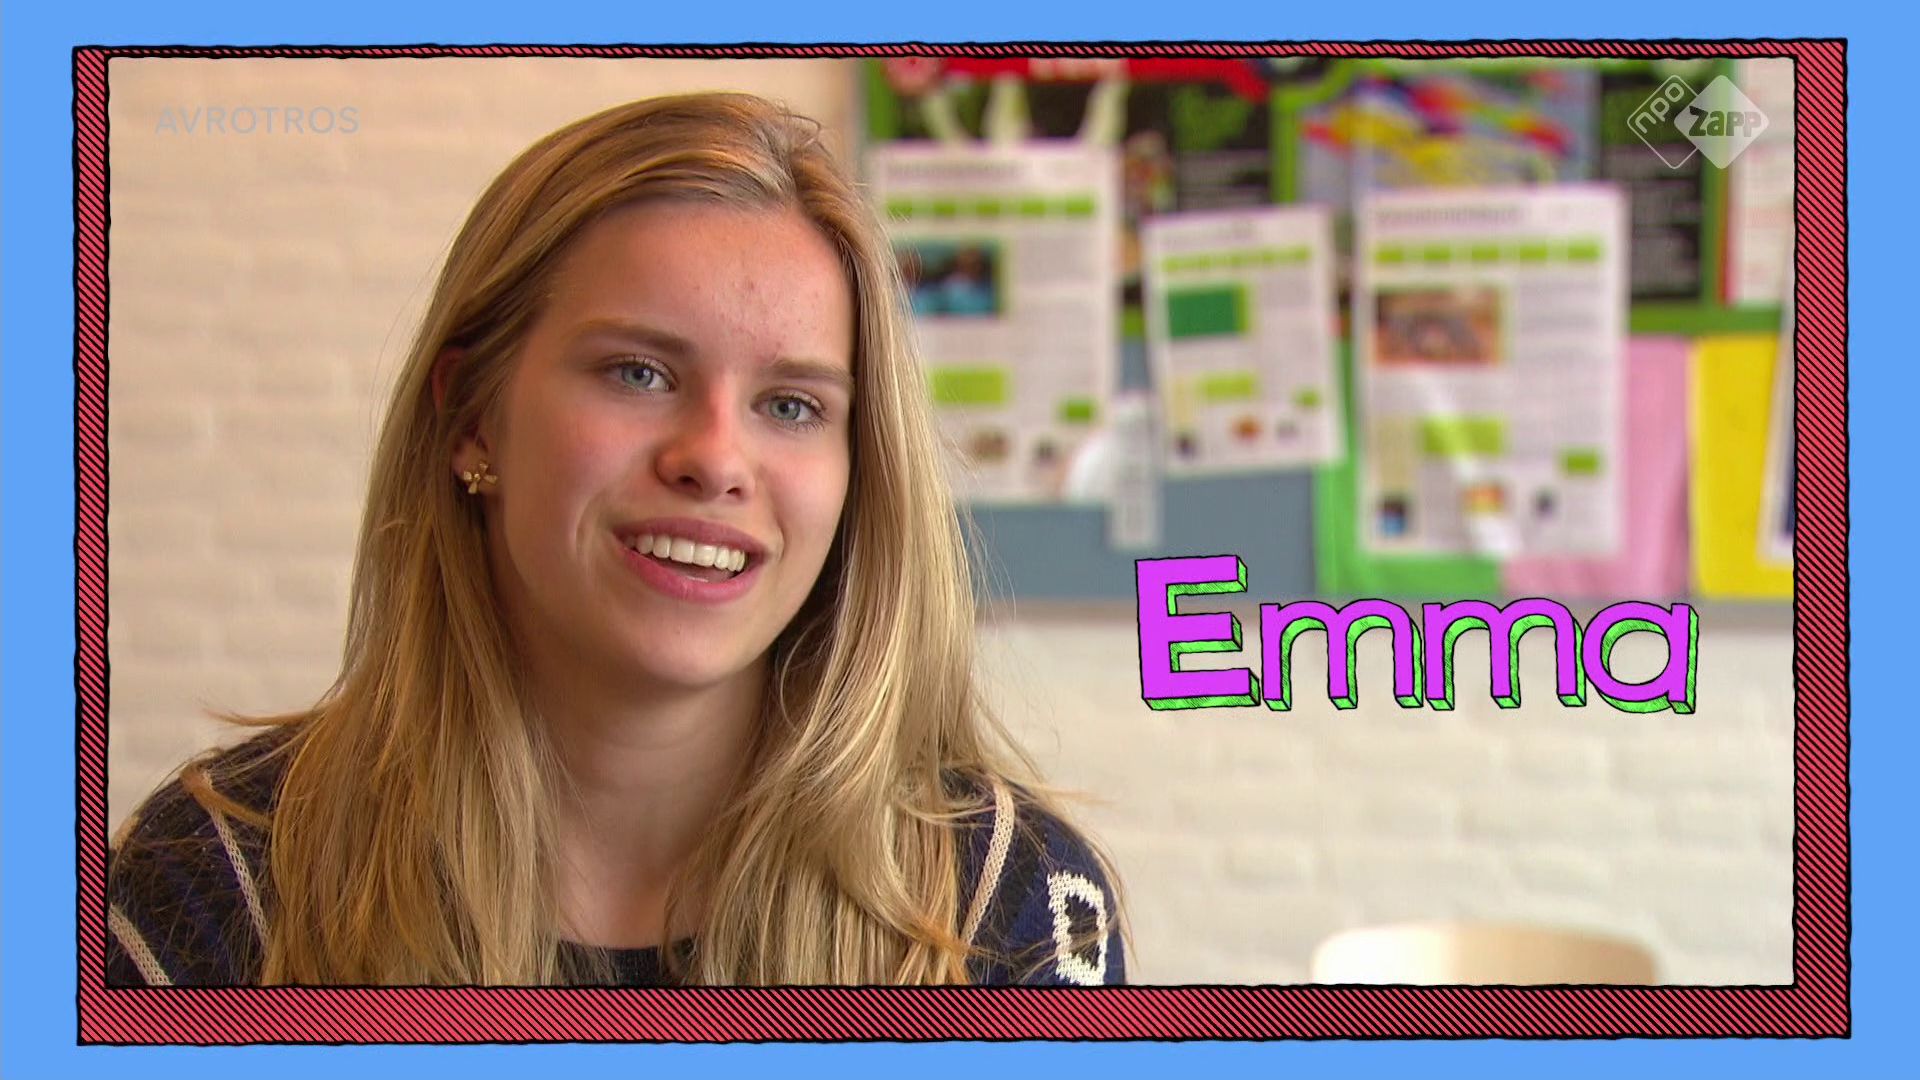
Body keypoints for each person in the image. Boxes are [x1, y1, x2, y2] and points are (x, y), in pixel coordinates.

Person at [106, 92, 1124, 987]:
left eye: (792, 405)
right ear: (472, 417)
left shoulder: (1012, 909)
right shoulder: (217, 883)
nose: (715, 459)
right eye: (639, 373)